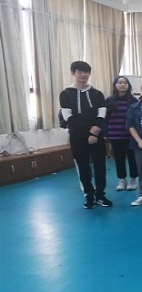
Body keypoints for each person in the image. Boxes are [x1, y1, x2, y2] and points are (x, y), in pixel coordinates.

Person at [59, 61, 112, 209]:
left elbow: (102, 114)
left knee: (100, 166)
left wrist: (95, 132)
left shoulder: (97, 94)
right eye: (79, 72)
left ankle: (100, 195)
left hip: (97, 136)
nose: (83, 75)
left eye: (86, 72)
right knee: (82, 167)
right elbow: (68, 117)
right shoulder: (65, 94)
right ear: (73, 73)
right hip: (77, 137)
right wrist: (90, 131)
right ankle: (89, 195)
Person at [106, 75, 138, 192]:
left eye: (125, 83)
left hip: (131, 135)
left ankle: (133, 180)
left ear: (128, 85)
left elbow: (137, 118)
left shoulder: (134, 101)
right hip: (115, 135)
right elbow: (106, 118)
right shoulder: (109, 101)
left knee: (132, 158)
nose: (122, 85)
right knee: (119, 159)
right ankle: (122, 180)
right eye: (120, 82)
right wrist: (106, 134)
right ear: (115, 85)